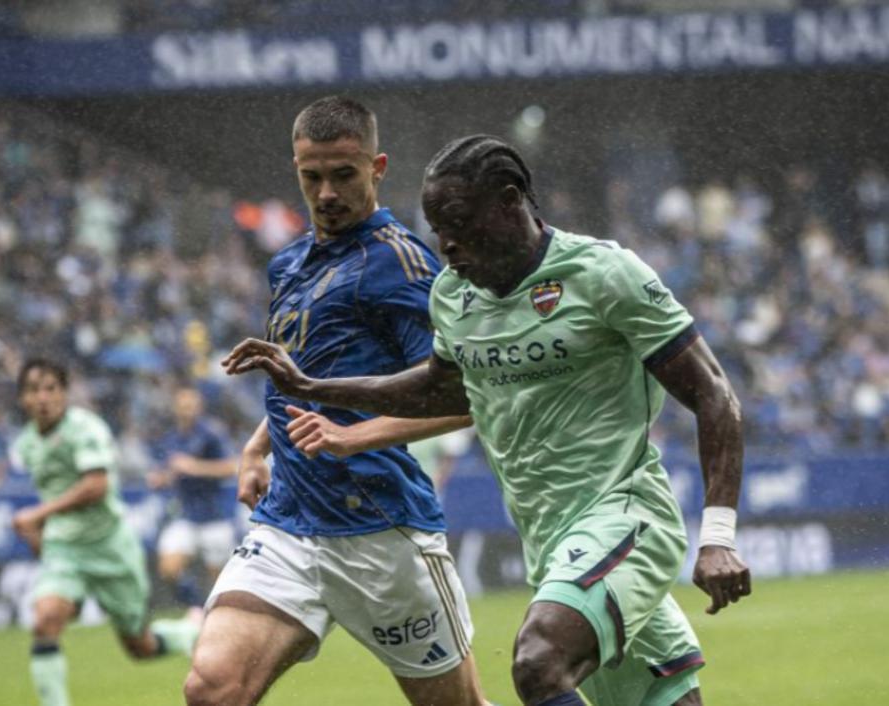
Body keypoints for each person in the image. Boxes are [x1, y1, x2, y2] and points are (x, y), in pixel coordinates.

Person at [223, 134, 752, 706]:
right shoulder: (453, 296)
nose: (446, 244)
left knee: (539, 661)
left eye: (458, 222)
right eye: (436, 228)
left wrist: (718, 536)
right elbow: (437, 389)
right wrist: (311, 386)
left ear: (509, 201)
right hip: (551, 542)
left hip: (624, 519)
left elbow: (714, 393)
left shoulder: (603, 273)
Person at [183, 97, 488, 706]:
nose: (326, 192)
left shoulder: (400, 264)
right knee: (213, 690)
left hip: (380, 529)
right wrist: (255, 447)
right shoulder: (289, 264)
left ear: (377, 168)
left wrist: (356, 436)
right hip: (289, 523)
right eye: (311, 176)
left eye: (343, 174)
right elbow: (299, 376)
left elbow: (470, 392)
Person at [12, 359, 200, 706]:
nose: (43, 398)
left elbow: (96, 486)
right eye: (33, 390)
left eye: (51, 388)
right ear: (22, 399)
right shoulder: (26, 444)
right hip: (65, 550)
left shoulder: (86, 428)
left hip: (110, 546)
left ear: (64, 393)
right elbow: (54, 500)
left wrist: (38, 515)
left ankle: (191, 630)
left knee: (139, 647)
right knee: (45, 621)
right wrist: (43, 544)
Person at [146, 385, 240, 609]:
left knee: (220, 581)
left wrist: (194, 467)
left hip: (214, 516)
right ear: (175, 408)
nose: (187, 410)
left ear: (200, 407)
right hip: (185, 515)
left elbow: (231, 467)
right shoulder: (171, 438)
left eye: (191, 406)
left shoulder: (212, 434)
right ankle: (197, 606)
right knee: (168, 568)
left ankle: (214, 615)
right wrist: (161, 478)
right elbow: (170, 471)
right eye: (182, 406)